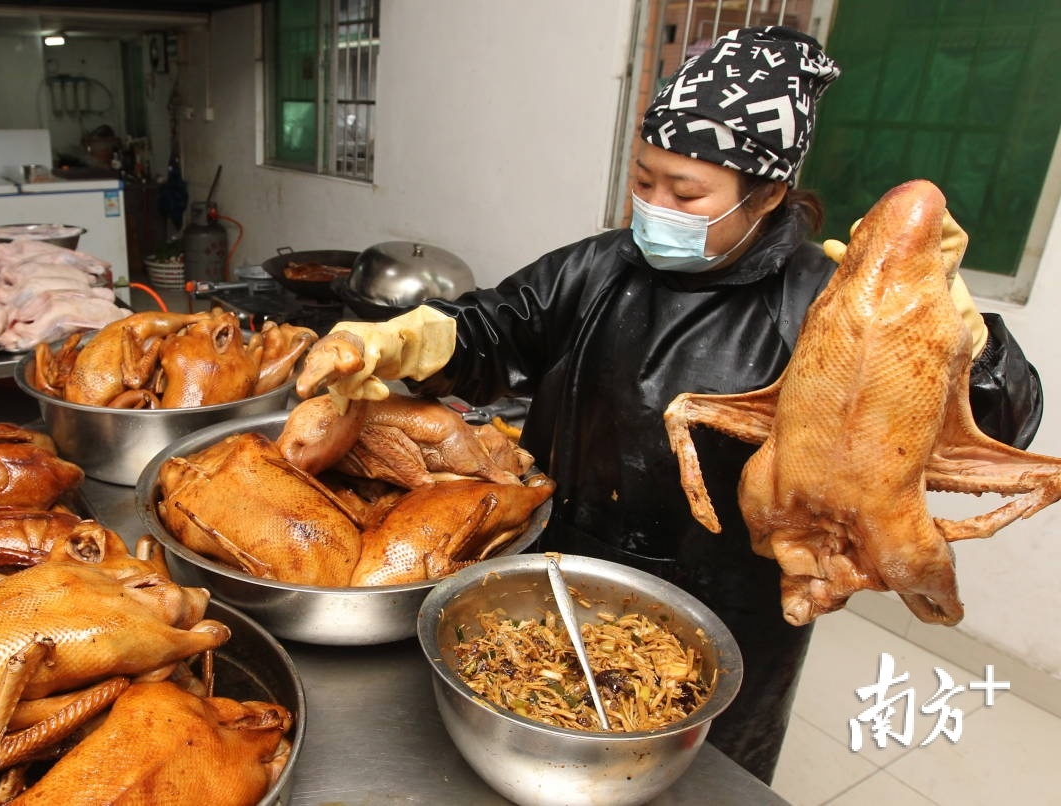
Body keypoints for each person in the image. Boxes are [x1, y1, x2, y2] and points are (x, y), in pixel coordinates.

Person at [296, 26, 1044, 783]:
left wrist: (966, 349)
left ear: (768, 194)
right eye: (644, 180)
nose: (657, 207)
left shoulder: (824, 306)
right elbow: (496, 328)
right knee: (535, 726)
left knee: (699, 777)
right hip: (558, 562)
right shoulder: (600, 267)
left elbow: (985, 431)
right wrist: (398, 342)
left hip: (728, 606)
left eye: (686, 194)